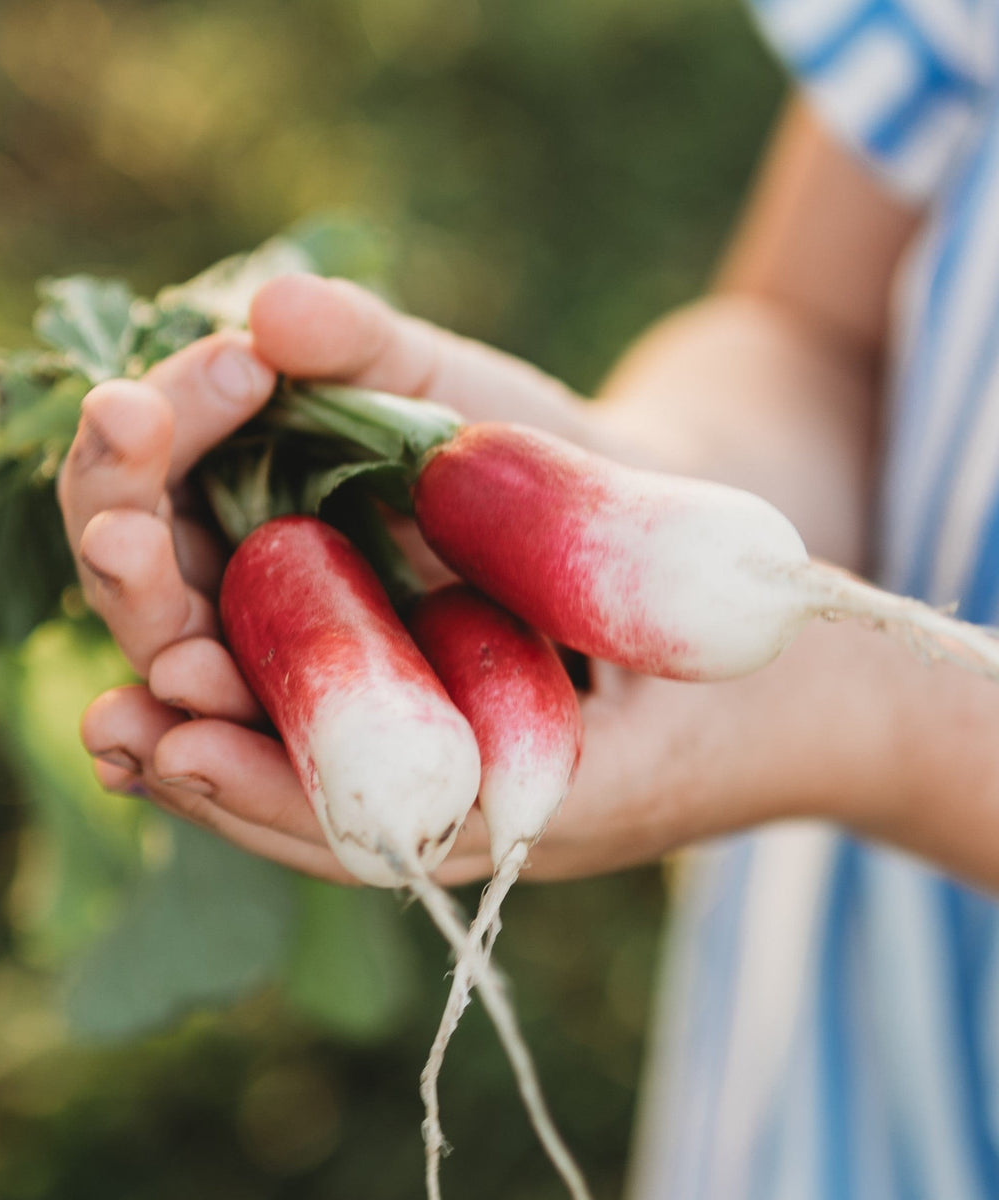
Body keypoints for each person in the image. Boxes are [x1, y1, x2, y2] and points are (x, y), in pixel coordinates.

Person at [56, 0, 999, 1194]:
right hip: (842, 1092)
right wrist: (636, 458)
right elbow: (807, 329)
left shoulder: (856, 715)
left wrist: (884, 727)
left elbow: (868, 708)